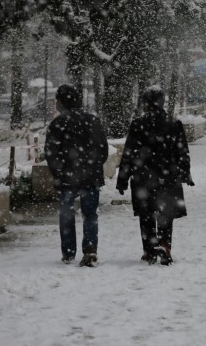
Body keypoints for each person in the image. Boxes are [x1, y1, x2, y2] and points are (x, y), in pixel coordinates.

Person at [117, 87, 194, 266]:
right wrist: (185, 172)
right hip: (168, 175)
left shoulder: (138, 124)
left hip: (143, 177)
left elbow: (128, 153)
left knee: (146, 214)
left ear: (146, 103)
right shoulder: (174, 123)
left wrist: (123, 179)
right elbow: (182, 151)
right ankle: (165, 245)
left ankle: (149, 250)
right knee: (165, 213)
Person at [44, 84, 108, 266]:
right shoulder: (92, 120)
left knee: (66, 215)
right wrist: (93, 166)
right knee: (90, 214)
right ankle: (90, 249)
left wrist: (60, 172)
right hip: (91, 176)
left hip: (66, 178)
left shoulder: (57, 124)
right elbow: (103, 149)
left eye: (57, 100)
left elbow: (51, 153)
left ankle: (68, 251)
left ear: (62, 101)